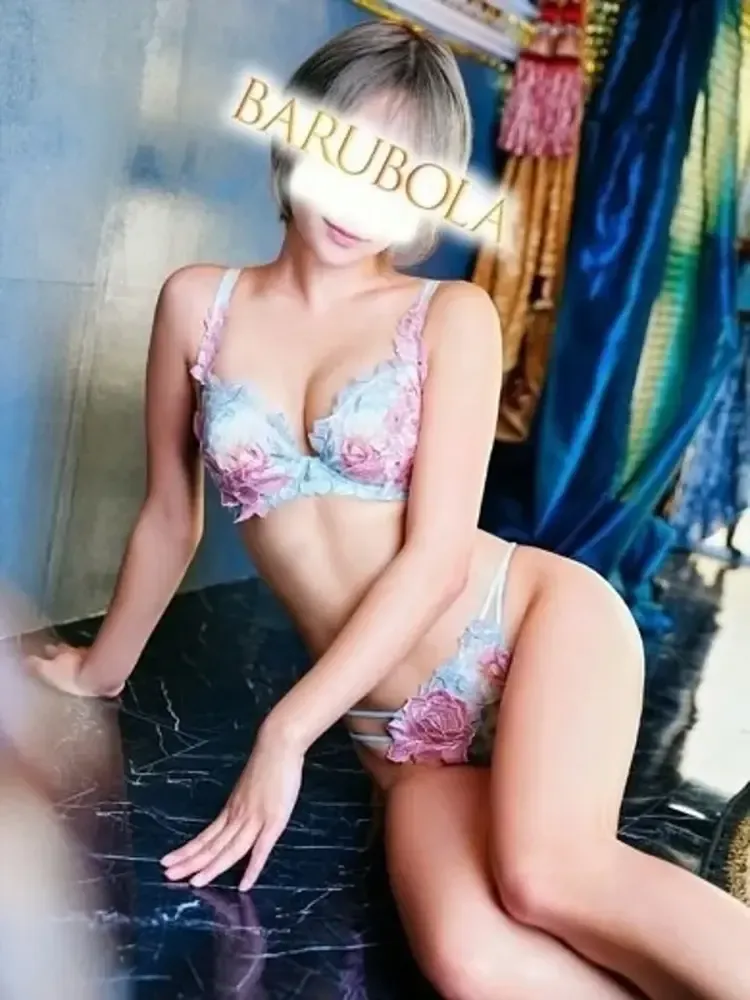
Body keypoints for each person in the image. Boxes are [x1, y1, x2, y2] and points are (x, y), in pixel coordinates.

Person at [29, 21, 750, 1000]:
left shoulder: (448, 316)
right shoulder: (198, 305)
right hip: (399, 737)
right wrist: (98, 668)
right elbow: (170, 514)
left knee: (548, 875)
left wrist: (286, 732)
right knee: (468, 963)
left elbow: (439, 557)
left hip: (529, 628)